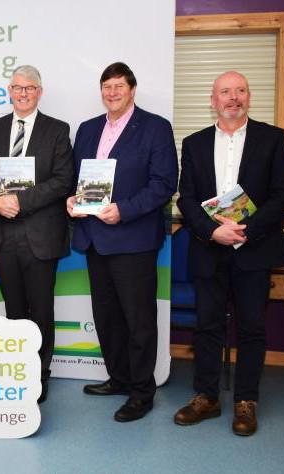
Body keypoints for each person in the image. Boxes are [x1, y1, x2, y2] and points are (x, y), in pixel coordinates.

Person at [174, 71, 284, 436]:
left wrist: (245, 230)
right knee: (207, 325)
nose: (233, 97)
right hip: (208, 249)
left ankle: (246, 401)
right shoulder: (194, 143)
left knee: (252, 327)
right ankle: (206, 397)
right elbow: (186, 198)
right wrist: (213, 230)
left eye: (240, 90)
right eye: (225, 92)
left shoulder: (272, 139)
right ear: (213, 100)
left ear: (249, 97)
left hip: (253, 248)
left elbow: (282, 195)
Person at [67, 62, 178, 421]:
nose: (112, 92)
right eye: (107, 87)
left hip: (133, 238)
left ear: (132, 90)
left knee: (138, 319)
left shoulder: (156, 128)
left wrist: (124, 210)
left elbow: (164, 183)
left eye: (118, 86)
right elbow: (76, 179)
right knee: (107, 317)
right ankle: (119, 378)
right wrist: (72, 199)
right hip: (94, 239)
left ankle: (141, 391)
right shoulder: (87, 129)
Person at [0, 65, 73, 403]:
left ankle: (39, 376)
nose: (23, 93)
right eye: (17, 87)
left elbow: (63, 180)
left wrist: (19, 201)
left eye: (30, 88)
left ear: (39, 92)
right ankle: (19, 371)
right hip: (4, 236)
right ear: (10, 91)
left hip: (41, 236)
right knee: (14, 311)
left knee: (41, 310)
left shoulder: (57, 130)